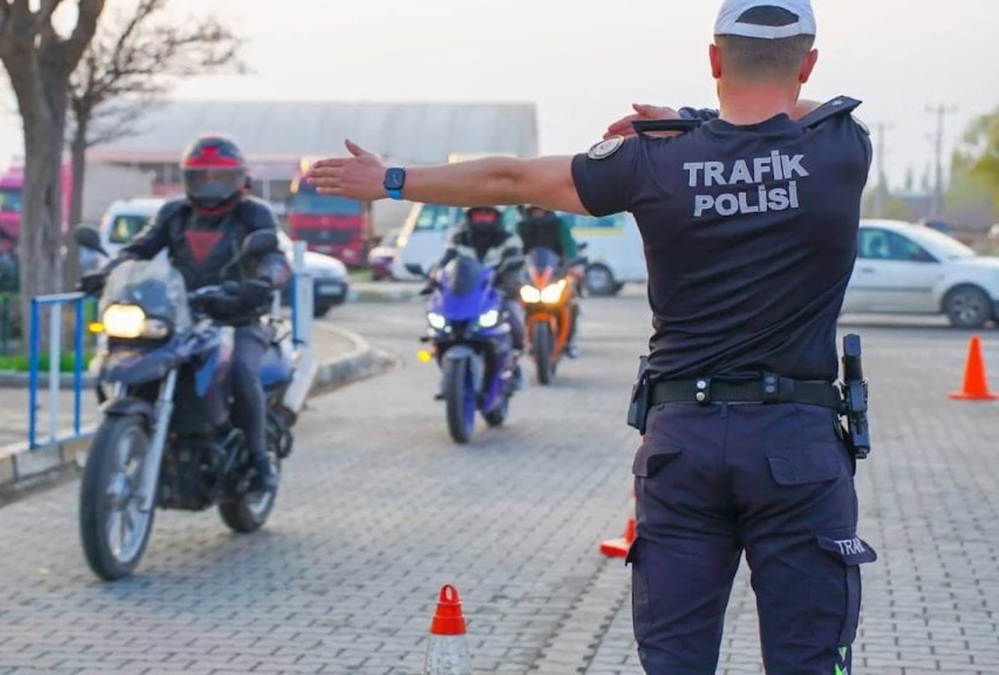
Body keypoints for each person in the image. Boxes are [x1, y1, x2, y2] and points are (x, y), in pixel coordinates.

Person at [307, 1, 874, 672]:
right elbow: (784, 115)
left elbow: (512, 178)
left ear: (714, 60)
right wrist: (689, 117)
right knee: (810, 659)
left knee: (674, 661)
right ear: (808, 63)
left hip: (682, 446)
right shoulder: (841, 147)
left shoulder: (649, 160)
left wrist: (392, 179)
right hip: (797, 448)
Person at [102, 135, 291, 493]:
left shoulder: (252, 213)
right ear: (187, 179)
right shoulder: (175, 213)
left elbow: (275, 256)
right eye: (200, 177)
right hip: (182, 315)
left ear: (238, 179)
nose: (209, 186)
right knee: (138, 352)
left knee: (238, 369)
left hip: (239, 316)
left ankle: (259, 460)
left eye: (218, 178)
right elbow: (142, 247)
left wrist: (263, 281)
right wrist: (110, 270)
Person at [429, 205, 527, 385]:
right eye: (478, 214)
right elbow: (446, 262)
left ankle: (513, 364)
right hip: (466, 296)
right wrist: (435, 276)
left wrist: (509, 284)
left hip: (496, 293)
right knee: (438, 324)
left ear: (496, 217)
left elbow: (515, 263)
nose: (482, 218)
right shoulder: (458, 237)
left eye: (487, 214)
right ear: (469, 217)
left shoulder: (509, 238)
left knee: (515, 322)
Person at [516, 205, 581, 357]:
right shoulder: (521, 227)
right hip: (530, 277)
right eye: (533, 208)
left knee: (572, 302)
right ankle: (517, 343)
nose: (537, 211)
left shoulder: (558, 224)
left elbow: (569, 246)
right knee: (513, 303)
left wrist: (575, 264)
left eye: (540, 207)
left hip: (556, 274)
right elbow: (514, 250)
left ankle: (570, 341)